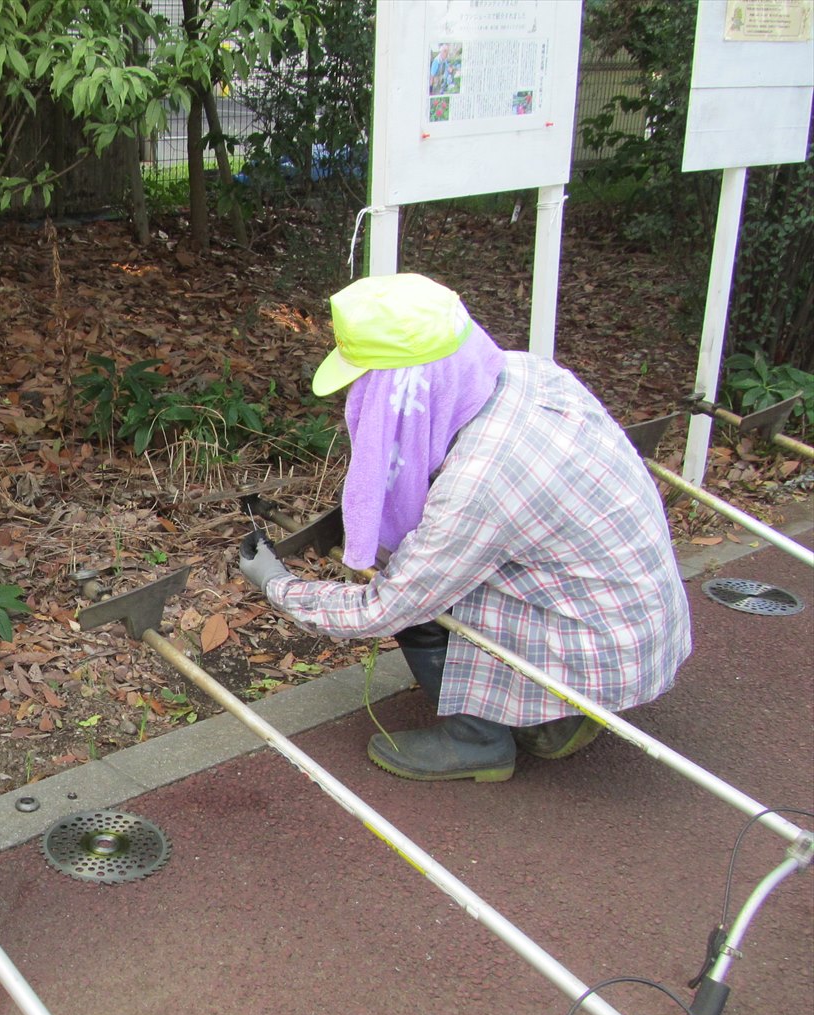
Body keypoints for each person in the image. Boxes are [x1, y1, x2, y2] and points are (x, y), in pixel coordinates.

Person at [239, 273, 691, 783]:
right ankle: (554, 720)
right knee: (435, 566)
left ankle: (477, 740)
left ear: (403, 388)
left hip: (600, 653)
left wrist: (278, 585)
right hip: (631, 619)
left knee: (419, 600)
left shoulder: (481, 481)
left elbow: (388, 608)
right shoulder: (528, 373)